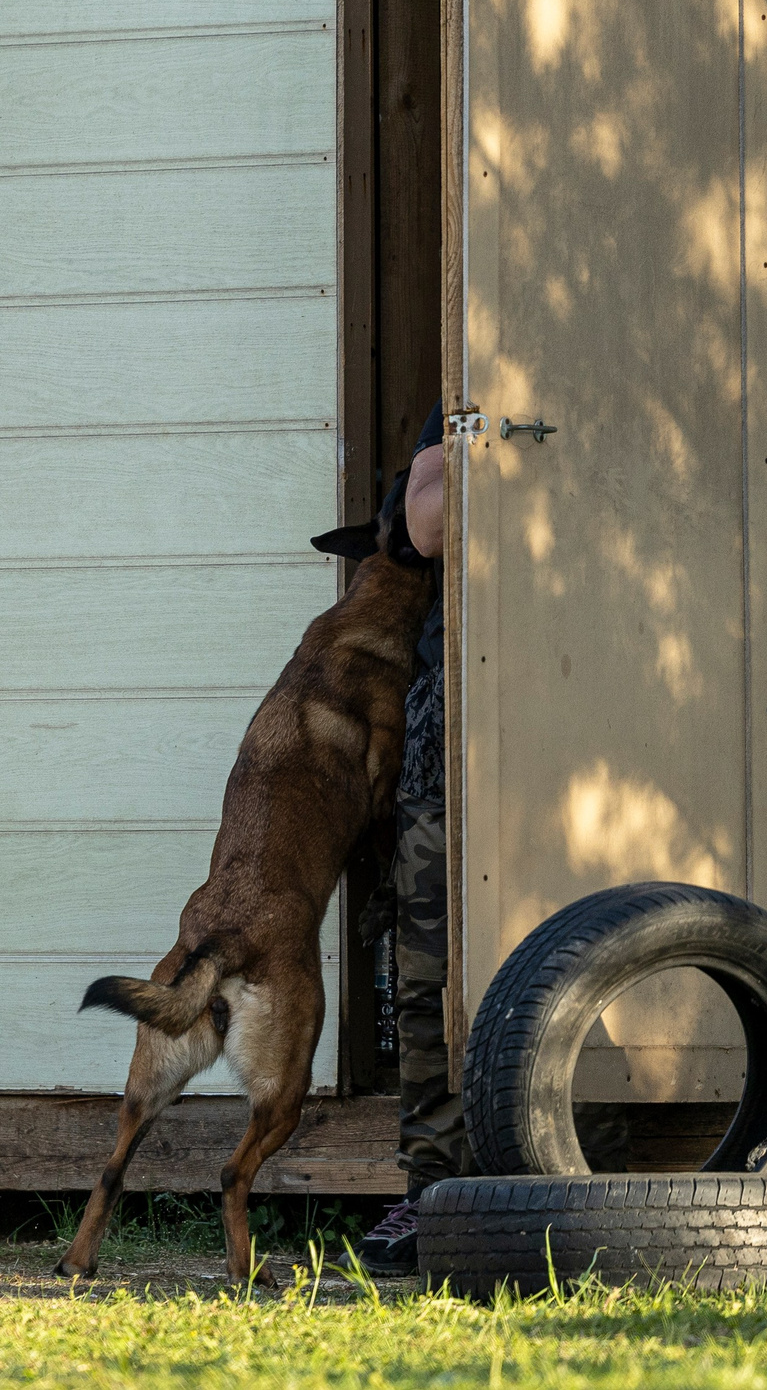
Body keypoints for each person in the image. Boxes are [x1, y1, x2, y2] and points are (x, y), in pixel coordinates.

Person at [353, 401, 470, 1271]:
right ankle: (431, 1192)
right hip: (446, 727)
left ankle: (587, 1170)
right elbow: (428, 529)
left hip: (579, 707)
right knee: (425, 969)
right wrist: (462, 441)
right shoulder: (457, 410)